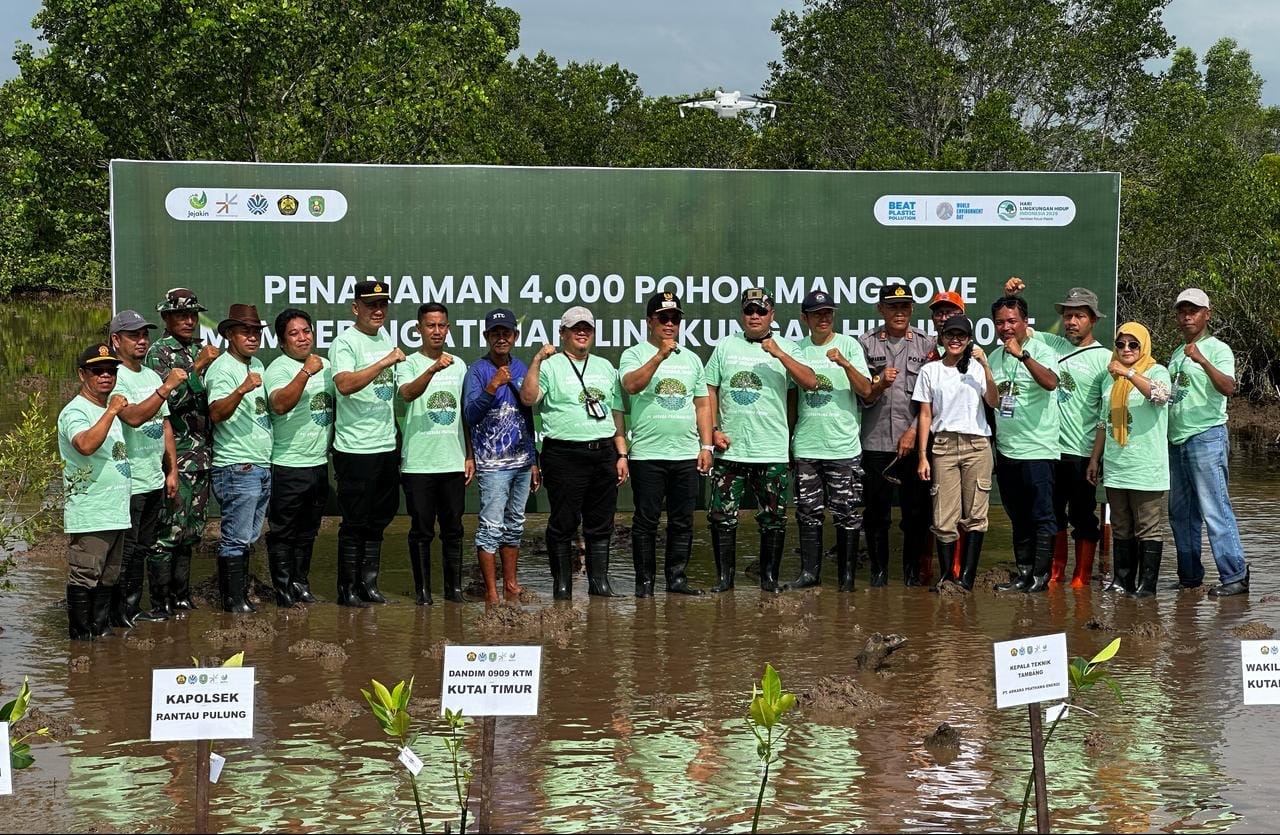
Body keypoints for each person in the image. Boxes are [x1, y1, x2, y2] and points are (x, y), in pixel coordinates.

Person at [705, 287, 817, 593]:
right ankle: (724, 580)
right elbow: (710, 389)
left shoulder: (788, 346)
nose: (755, 316)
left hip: (771, 450)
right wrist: (714, 429)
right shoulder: (726, 346)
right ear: (742, 314)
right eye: (749, 311)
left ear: (772, 314)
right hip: (731, 449)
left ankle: (768, 579)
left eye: (761, 311)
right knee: (722, 517)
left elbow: (809, 381)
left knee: (773, 518)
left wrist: (779, 353)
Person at [521, 306, 628, 599]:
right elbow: (528, 398)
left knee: (601, 522)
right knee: (564, 521)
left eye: (587, 328)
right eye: (575, 328)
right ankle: (563, 586)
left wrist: (622, 454)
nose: (582, 333)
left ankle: (599, 583)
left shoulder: (606, 367)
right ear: (562, 333)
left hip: (603, 451)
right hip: (564, 454)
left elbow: (615, 413)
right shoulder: (550, 365)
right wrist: (536, 361)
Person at [1010, 279, 1110, 588]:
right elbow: (1018, 328)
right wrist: (1013, 297)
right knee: (1051, 515)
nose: (1071, 321)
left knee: (1083, 516)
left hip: (1081, 452)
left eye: (1079, 315)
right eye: (1067, 315)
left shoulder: (1105, 358)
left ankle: (1081, 578)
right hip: (1050, 449)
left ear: (1092, 319)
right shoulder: (1051, 344)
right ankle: (1055, 573)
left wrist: (1095, 458)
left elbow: (1105, 415)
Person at [620, 291, 713, 597]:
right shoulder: (633, 354)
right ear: (650, 322)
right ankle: (644, 583)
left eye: (675, 318)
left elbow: (702, 404)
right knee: (646, 522)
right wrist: (660, 355)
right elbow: (632, 385)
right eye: (664, 318)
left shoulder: (691, 359)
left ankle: (676, 579)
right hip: (648, 454)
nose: (670, 324)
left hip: (686, 454)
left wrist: (706, 446)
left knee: (682, 521)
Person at [1167, 288, 1249, 597]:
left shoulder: (1217, 349)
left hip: (1206, 437)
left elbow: (1229, 387)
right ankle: (1189, 577)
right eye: (1182, 310)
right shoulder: (1176, 353)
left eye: (1194, 310)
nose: (1187, 315)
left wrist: (1201, 359)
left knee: (1215, 508)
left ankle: (1235, 576)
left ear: (1207, 315)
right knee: (1180, 513)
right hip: (1177, 439)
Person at [787, 289, 871, 592]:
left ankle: (846, 579)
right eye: (817, 313)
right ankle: (810, 574)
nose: (824, 318)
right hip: (808, 446)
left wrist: (845, 365)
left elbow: (866, 390)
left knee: (847, 514)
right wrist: (789, 441)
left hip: (843, 447)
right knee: (808, 512)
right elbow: (793, 400)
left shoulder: (849, 345)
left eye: (828, 313)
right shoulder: (797, 350)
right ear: (804, 318)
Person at [330, 280, 406, 607]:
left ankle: (368, 584)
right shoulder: (346, 342)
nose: (378, 311)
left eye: (382, 305)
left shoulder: (385, 337)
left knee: (381, 517)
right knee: (355, 521)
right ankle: (346, 588)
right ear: (355, 307)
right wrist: (383, 363)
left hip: (386, 445)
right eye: (370, 304)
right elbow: (344, 384)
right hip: (355, 449)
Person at [145, 287, 219, 611]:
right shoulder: (159, 353)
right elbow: (167, 403)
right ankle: (161, 602)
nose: (189, 321)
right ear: (166, 317)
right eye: (181, 315)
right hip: (176, 455)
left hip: (202, 454)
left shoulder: (200, 348)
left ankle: (182, 596)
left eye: (192, 315)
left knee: (190, 532)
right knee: (167, 534)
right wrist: (197, 368)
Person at [1085, 323, 1171, 597]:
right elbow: (1103, 422)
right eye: (1120, 344)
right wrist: (1094, 459)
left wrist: (1129, 373)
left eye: (1133, 345)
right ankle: (1123, 581)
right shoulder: (1109, 378)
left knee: (1148, 527)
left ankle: (1147, 587)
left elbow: (1160, 395)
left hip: (1146, 467)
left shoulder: (1157, 371)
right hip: (1116, 466)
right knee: (1121, 525)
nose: (1125, 350)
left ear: (1143, 347)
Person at [913, 316, 998, 591]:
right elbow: (925, 415)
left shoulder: (977, 368)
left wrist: (985, 366)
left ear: (969, 339)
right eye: (950, 334)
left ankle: (968, 579)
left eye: (961, 335)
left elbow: (994, 401)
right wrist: (922, 455)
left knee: (975, 515)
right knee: (943, 517)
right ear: (941, 336)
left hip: (977, 446)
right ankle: (948, 577)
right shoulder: (931, 371)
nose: (955, 340)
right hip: (943, 447)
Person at [108, 310, 182, 625]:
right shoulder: (113, 376)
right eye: (133, 335)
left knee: (143, 548)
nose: (141, 341)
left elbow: (164, 425)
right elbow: (135, 417)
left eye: (144, 335)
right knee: (125, 552)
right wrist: (166, 388)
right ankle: (116, 612)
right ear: (116, 340)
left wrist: (172, 470)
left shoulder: (151, 375)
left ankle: (134, 609)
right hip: (129, 480)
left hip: (153, 477)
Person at [463, 308, 540, 603]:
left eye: (506, 333)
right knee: (490, 528)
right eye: (495, 333)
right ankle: (492, 593)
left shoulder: (522, 368)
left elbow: (528, 416)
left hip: (521, 462)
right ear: (486, 337)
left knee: (515, 525)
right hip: (492, 465)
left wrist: (534, 461)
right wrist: (492, 386)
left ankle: (510, 584)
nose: (501, 338)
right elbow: (469, 416)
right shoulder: (477, 371)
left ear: (514, 336)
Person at [858, 283, 932, 586]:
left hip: (915, 443)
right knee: (876, 515)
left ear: (911, 310)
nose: (898, 312)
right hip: (875, 441)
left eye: (904, 307)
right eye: (892, 307)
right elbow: (861, 394)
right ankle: (878, 576)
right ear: (881, 309)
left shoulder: (927, 344)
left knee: (915, 514)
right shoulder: (865, 344)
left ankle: (912, 577)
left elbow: (935, 397)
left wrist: (914, 431)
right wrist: (879, 385)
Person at [398, 303, 473, 604]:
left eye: (442, 325)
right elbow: (407, 393)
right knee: (421, 530)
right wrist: (431, 369)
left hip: (452, 460)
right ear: (419, 329)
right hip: (419, 462)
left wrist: (469, 454)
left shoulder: (459, 364)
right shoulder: (408, 362)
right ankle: (423, 592)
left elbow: (465, 414)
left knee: (453, 529)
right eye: (431, 326)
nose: (437, 331)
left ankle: (453, 590)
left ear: (448, 328)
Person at [58, 344, 132, 640]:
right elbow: (85, 445)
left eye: (111, 370)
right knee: (85, 577)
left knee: (109, 578)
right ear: (82, 374)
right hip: (91, 512)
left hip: (116, 510)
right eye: (97, 370)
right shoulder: (75, 410)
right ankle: (80, 640)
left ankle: (100, 635)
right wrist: (112, 411)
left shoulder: (105, 410)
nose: (105, 376)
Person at [988, 295, 1061, 592]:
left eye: (1012, 321)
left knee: (1042, 515)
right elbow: (991, 400)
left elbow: (1051, 382)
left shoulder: (1041, 350)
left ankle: (1041, 577)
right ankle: (1023, 572)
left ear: (1025, 322)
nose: (1006, 327)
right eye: (1000, 322)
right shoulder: (994, 357)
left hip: (1038, 449)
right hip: (1007, 450)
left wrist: (1023, 356)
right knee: (1017, 515)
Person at [263, 308, 333, 606]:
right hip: (288, 464)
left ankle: (301, 583)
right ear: (282, 342)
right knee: (283, 532)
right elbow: (279, 404)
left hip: (318, 464)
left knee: (309, 531)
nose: (303, 338)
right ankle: (282, 589)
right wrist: (305, 372)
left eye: (306, 331)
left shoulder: (327, 366)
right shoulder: (278, 369)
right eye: (294, 333)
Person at [206, 304, 272, 614]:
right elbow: (217, 412)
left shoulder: (257, 363)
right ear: (230, 334)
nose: (252, 337)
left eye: (256, 331)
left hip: (259, 464)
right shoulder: (222, 368)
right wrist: (243, 389)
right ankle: (231, 602)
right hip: (237, 464)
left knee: (248, 536)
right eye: (245, 331)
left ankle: (239, 597)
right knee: (235, 538)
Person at [926, 291, 966, 361]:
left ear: (962, 317)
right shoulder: (924, 348)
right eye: (939, 313)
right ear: (932, 318)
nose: (943, 318)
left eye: (949, 313)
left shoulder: (973, 352)